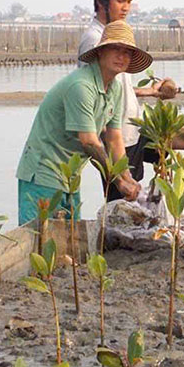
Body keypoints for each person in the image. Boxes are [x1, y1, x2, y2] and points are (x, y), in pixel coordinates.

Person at [78, 0, 184, 201]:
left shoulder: (115, 33)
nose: (126, 8)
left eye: (129, 2)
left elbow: (117, 87)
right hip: (117, 136)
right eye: (120, 1)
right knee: (123, 201)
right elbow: (93, 94)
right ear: (101, 2)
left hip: (135, 127)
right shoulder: (96, 39)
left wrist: (150, 91)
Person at [16, 20, 149, 225]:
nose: (121, 56)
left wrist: (127, 176)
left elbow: (114, 138)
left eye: (127, 52)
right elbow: (89, 142)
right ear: (100, 52)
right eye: (115, 49)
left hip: (70, 175)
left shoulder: (115, 88)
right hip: (43, 170)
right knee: (38, 241)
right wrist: (119, 182)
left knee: (69, 238)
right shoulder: (82, 86)